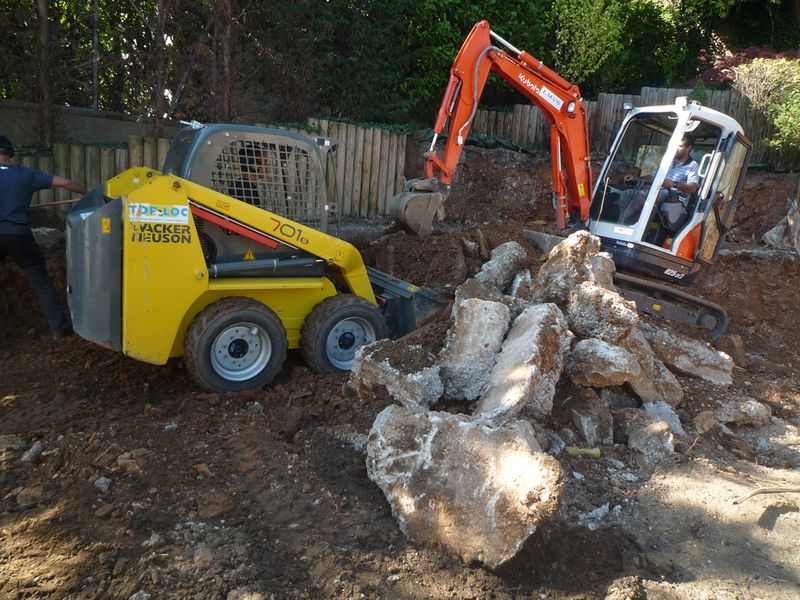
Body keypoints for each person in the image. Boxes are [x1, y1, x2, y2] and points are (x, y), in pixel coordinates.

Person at [0, 134, 88, 339]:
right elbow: (65, 183)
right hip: (18, 236)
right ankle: (59, 328)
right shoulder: (26, 174)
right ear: (10, 154)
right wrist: (86, 192)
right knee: (41, 283)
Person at [618, 134, 700, 225]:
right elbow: (653, 177)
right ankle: (622, 222)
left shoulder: (692, 165)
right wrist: (636, 178)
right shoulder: (668, 161)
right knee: (626, 194)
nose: (676, 148)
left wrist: (673, 184)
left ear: (688, 148)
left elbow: (693, 187)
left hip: (675, 197)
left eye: (680, 146)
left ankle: (627, 223)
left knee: (648, 197)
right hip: (659, 190)